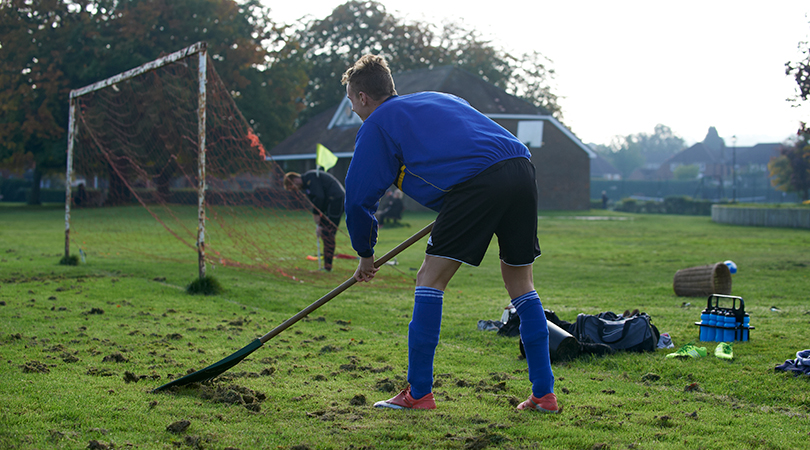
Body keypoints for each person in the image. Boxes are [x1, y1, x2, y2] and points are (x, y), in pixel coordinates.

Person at [341, 54, 557, 413]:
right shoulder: (441, 98)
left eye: (351, 101)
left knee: (429, 279)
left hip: (476, 183)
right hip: (520, 167)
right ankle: (544, 394)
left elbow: (358, 198)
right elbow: (458, 145)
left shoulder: (378, 123)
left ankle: (419, 392)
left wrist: (365, 253)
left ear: (363, 97)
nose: (352, 109)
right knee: (521, 284)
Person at [283, 170, 345, 272]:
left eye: (292, 187)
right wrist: (320, 224)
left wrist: (316, 214)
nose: (295, 190)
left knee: (328, 233)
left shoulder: (310, 178)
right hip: (329, 203)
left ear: (295, 180)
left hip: (335, 201)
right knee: (325, 232)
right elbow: (319, 199)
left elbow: (319, 197)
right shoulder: (307, 185)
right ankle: (327, 266)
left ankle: (328, 267)